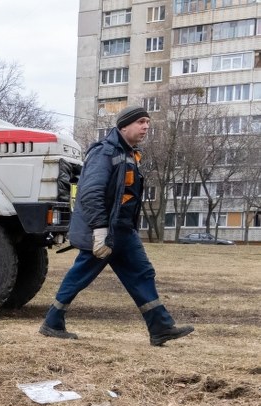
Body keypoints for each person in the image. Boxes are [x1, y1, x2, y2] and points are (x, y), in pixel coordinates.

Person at [40, 105, 194, 346]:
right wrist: (100, 229)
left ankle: (160, 327)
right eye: (141, 122)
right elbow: (91, 193)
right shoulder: (105, 152)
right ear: (123, 126)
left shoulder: (129, 153)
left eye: (148, 122)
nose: (146, 127)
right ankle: (52, 322)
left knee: (142, 273)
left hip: (123, 230)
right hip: (105, 230)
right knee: (81, 275)